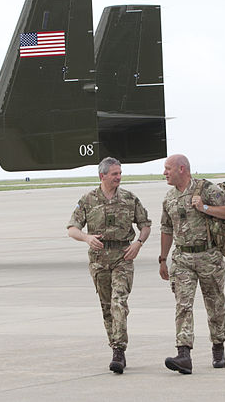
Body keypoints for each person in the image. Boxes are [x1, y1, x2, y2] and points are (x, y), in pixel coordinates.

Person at [67, 157, 151, 374]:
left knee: (118, 302)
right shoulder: (88, 200)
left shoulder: (129, 198)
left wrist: (138, 244)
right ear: (102, 176)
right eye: (114, 174)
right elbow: (72, 228)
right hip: (98, 260)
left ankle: (119, 351)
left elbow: (145, 225)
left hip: (123, 256)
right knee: (107, 306)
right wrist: (86, 238)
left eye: (120, 173)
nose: (119, 177)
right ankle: (114, 344)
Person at [159, 154, 225, 374]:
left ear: (181, 169)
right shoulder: (169, 198)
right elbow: (166, 229)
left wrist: (204, 208)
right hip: (182, 258)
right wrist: (163, 259)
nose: (164, 173)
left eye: (168, 169)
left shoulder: (207, 190)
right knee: (182, 305)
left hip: (208, 257)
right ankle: (183, 354)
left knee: (214, 306)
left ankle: (218, 346)